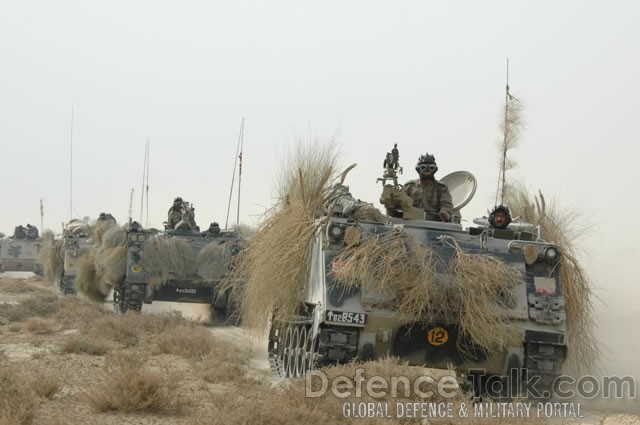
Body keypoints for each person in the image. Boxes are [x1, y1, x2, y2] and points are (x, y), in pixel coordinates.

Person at [402, 153, 453, 222]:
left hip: (434, 224)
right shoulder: (409, 186)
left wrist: (444, 213)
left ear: (435, 170)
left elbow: (446, 204)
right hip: (411, 222)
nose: (427, 171)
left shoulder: (441, 188)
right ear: (418, 169)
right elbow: (399, 204)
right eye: (423, 167)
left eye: (431, 168)